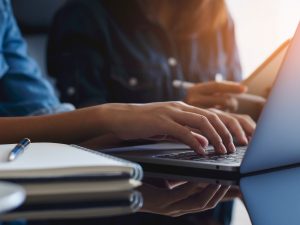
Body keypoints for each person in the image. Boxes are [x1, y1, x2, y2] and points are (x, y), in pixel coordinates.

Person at [0, 0, 254, 155]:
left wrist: (166, 128)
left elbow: (44, 115)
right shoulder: (86, 14)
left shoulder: (216, 16)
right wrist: (108, 117)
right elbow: (75, 115)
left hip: (186, 160)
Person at [47, 0, 246, 113]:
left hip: (215, 152)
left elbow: (238, 96)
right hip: (137, 167)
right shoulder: (85, 17)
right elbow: (83, 123)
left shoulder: (217, 17)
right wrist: (180, 109)